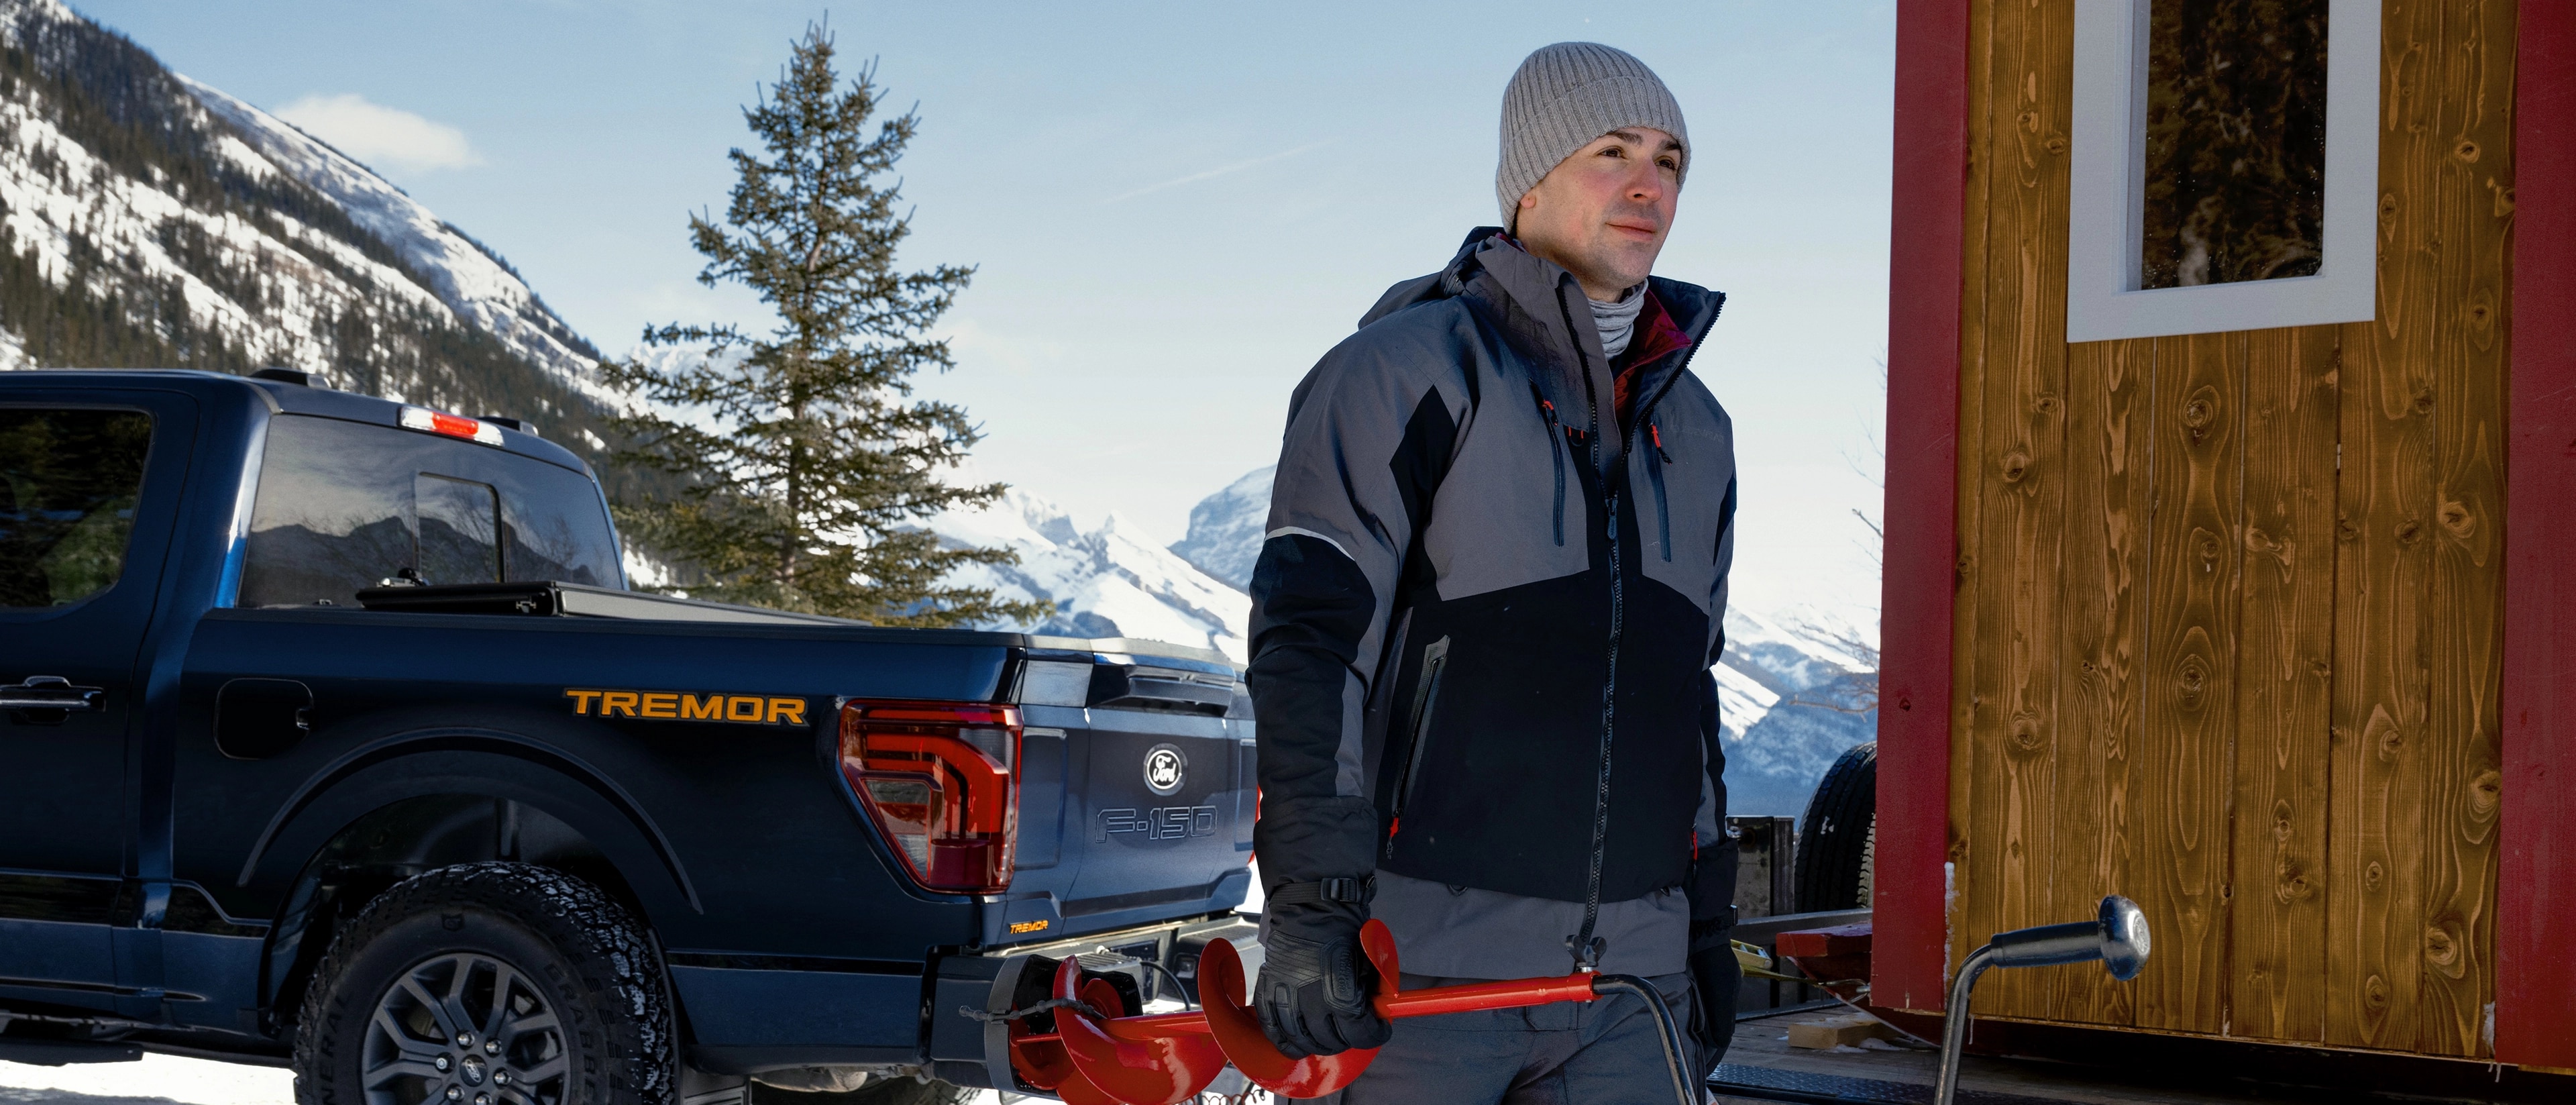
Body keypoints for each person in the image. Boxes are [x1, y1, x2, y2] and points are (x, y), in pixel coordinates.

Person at [1246, 41, 1741, 1105]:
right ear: (1528, 181)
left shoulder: (1699, 431)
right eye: (1611, 151)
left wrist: (1706, 920)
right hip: (1425, 977)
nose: (1648, 183)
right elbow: (1310, 647)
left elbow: (1690, 691)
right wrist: (1311, 907)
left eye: (1670, 160)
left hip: (1631, 991)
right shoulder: (1404, 371)